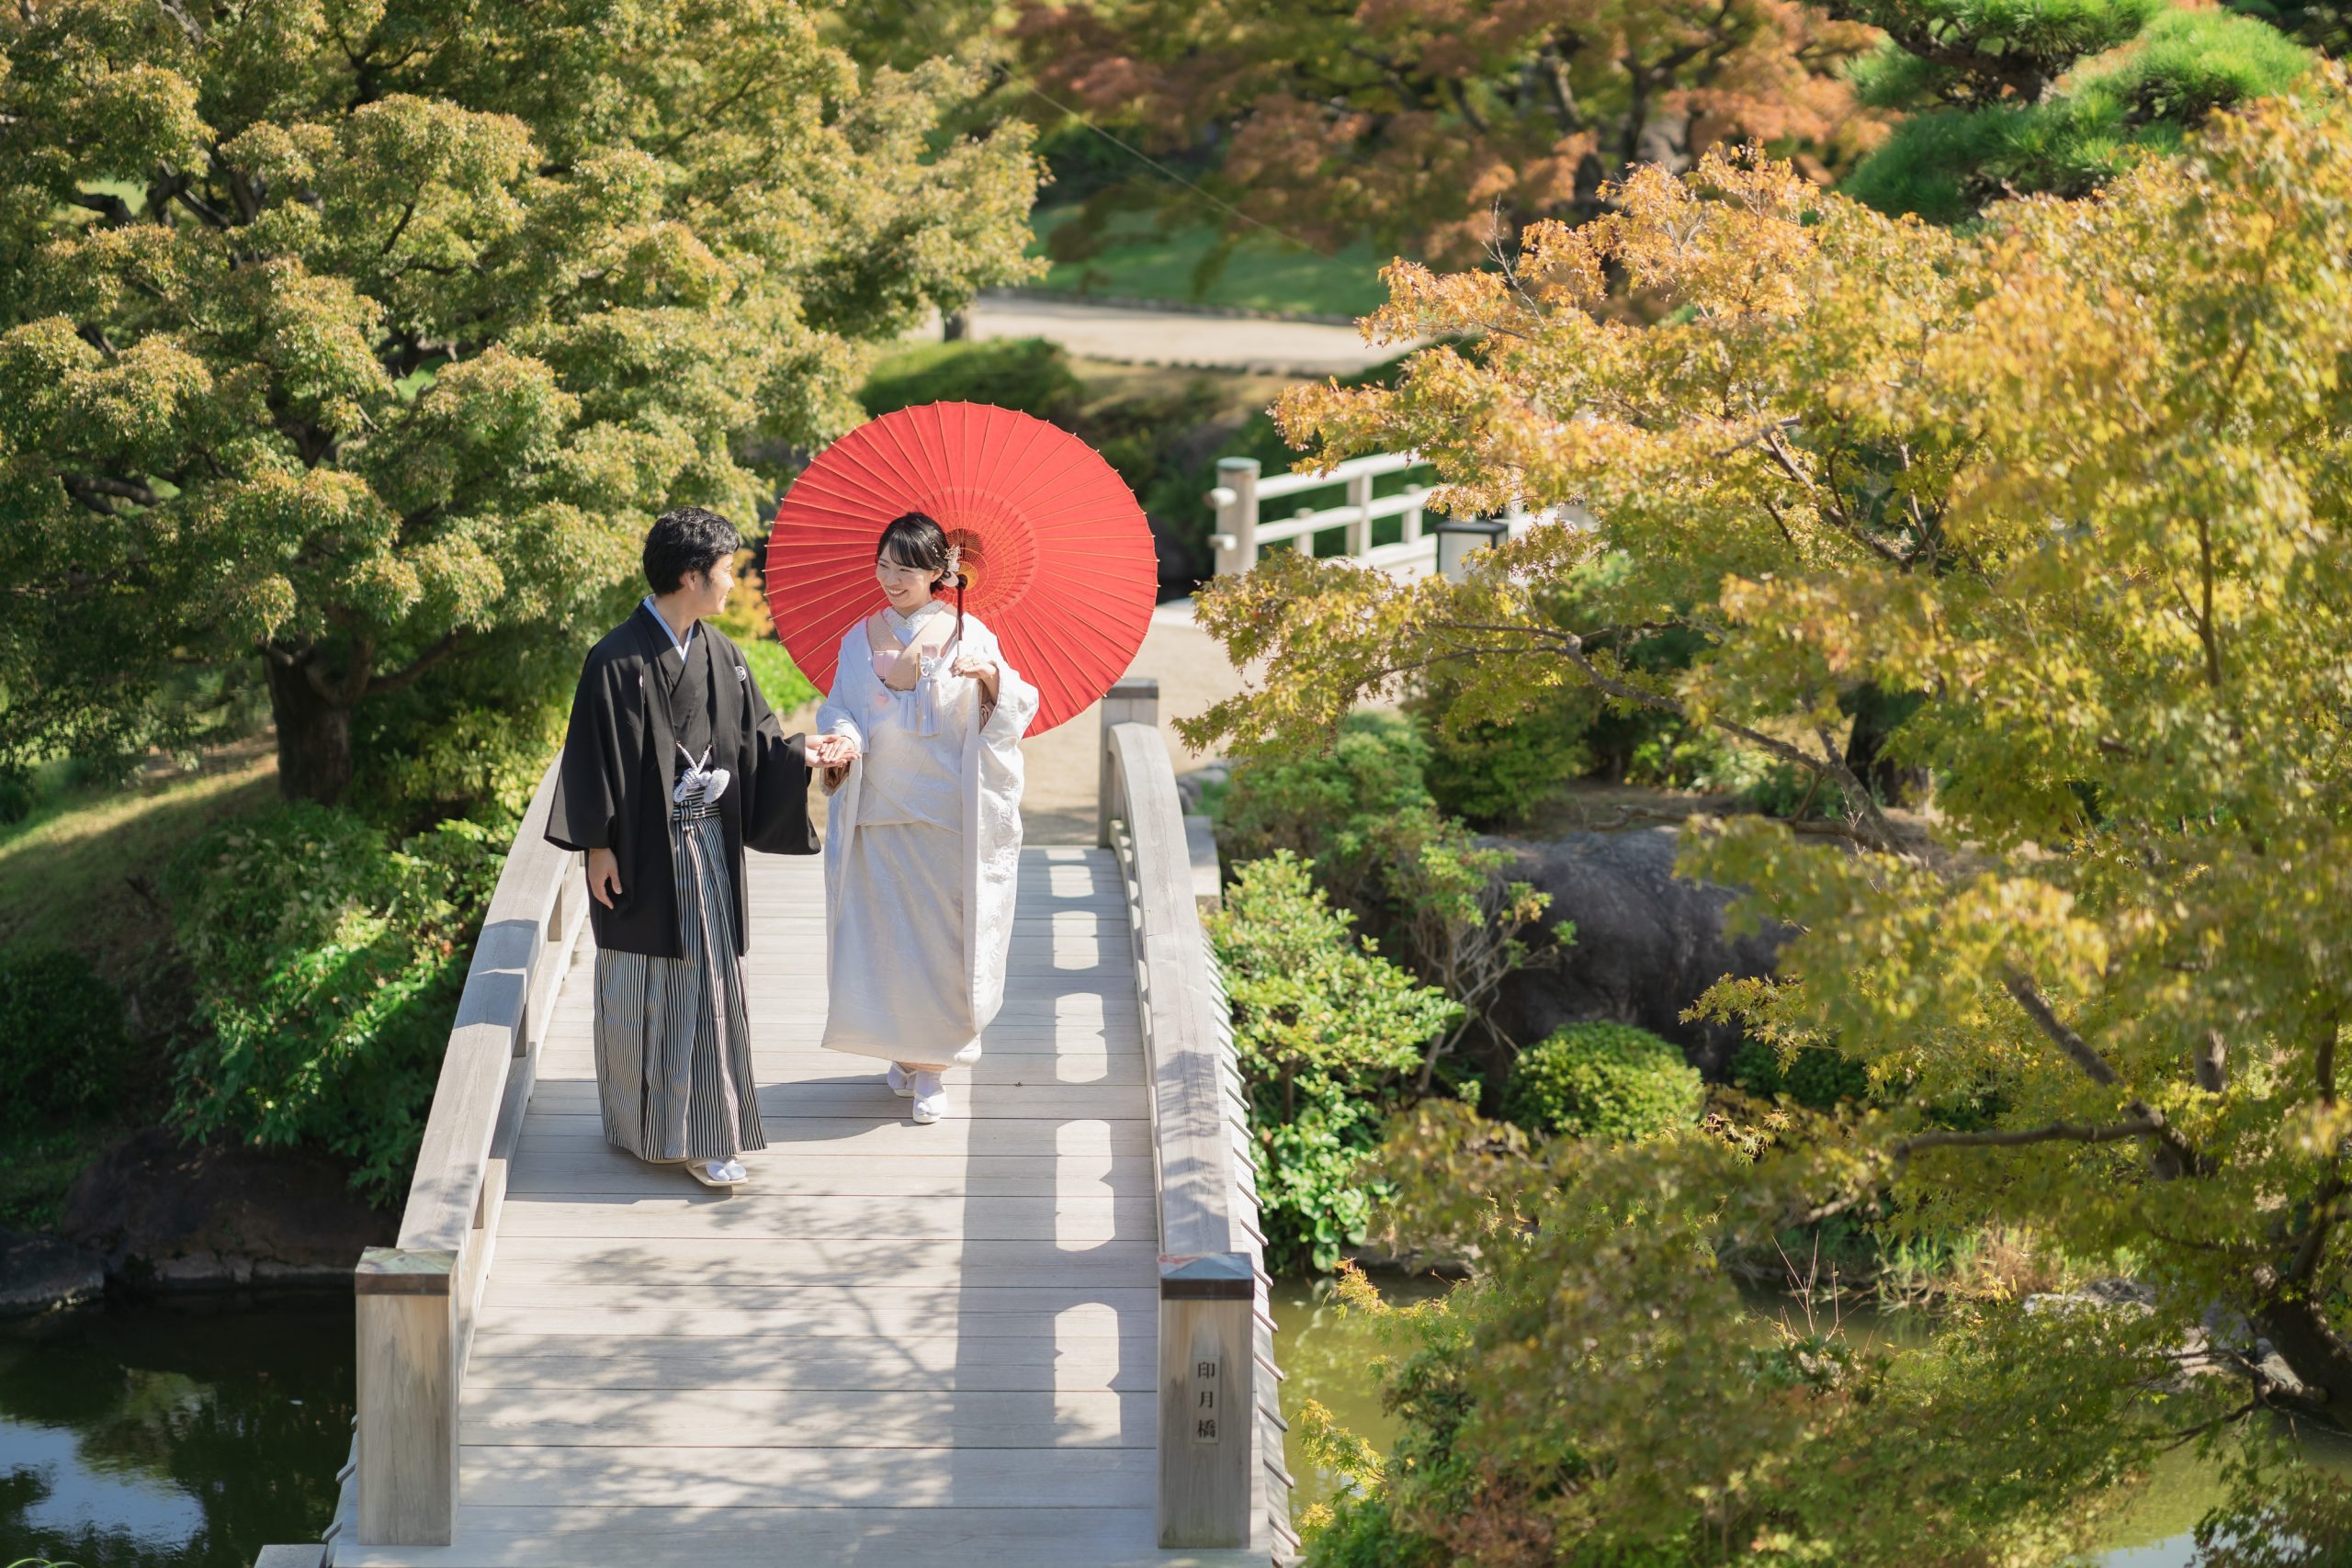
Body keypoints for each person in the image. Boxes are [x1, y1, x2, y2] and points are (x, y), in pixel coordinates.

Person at [545, 506, 855, 1188]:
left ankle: (706, 1135)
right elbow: (591, 759)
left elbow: (760, 742)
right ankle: (638, 1122)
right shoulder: (614, 659)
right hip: (643, 851)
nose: (733, 582)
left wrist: (806, 753)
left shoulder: (723, 655)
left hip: (705, 845)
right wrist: (597, 846)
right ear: (690, 576)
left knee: (706, 983)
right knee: (642, 982)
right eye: (724, 570)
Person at [813, 512, 1036, 1123]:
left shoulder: (971, 634)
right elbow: (839, 704)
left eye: (906, 568)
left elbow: (1014, 709)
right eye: (884, 564)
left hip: (945, 816)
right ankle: (903, 1052)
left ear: (941, 572)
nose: (891, 577)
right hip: (877, 812)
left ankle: (933, 1065)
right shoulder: (858, 639)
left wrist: (989, 677)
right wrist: (843, 737)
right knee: (884, 938)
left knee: (941, 943)